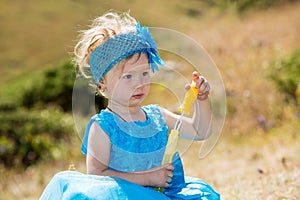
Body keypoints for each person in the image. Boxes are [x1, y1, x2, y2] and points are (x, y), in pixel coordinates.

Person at [40, 11, 221, 200]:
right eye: (128, 77)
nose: (139, 83)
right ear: (103, 83)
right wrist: (147, 178)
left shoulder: (157, 116)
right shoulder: (103, 127)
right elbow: (97, 177)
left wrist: (201, 100)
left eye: (144, 73)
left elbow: (199, 131)